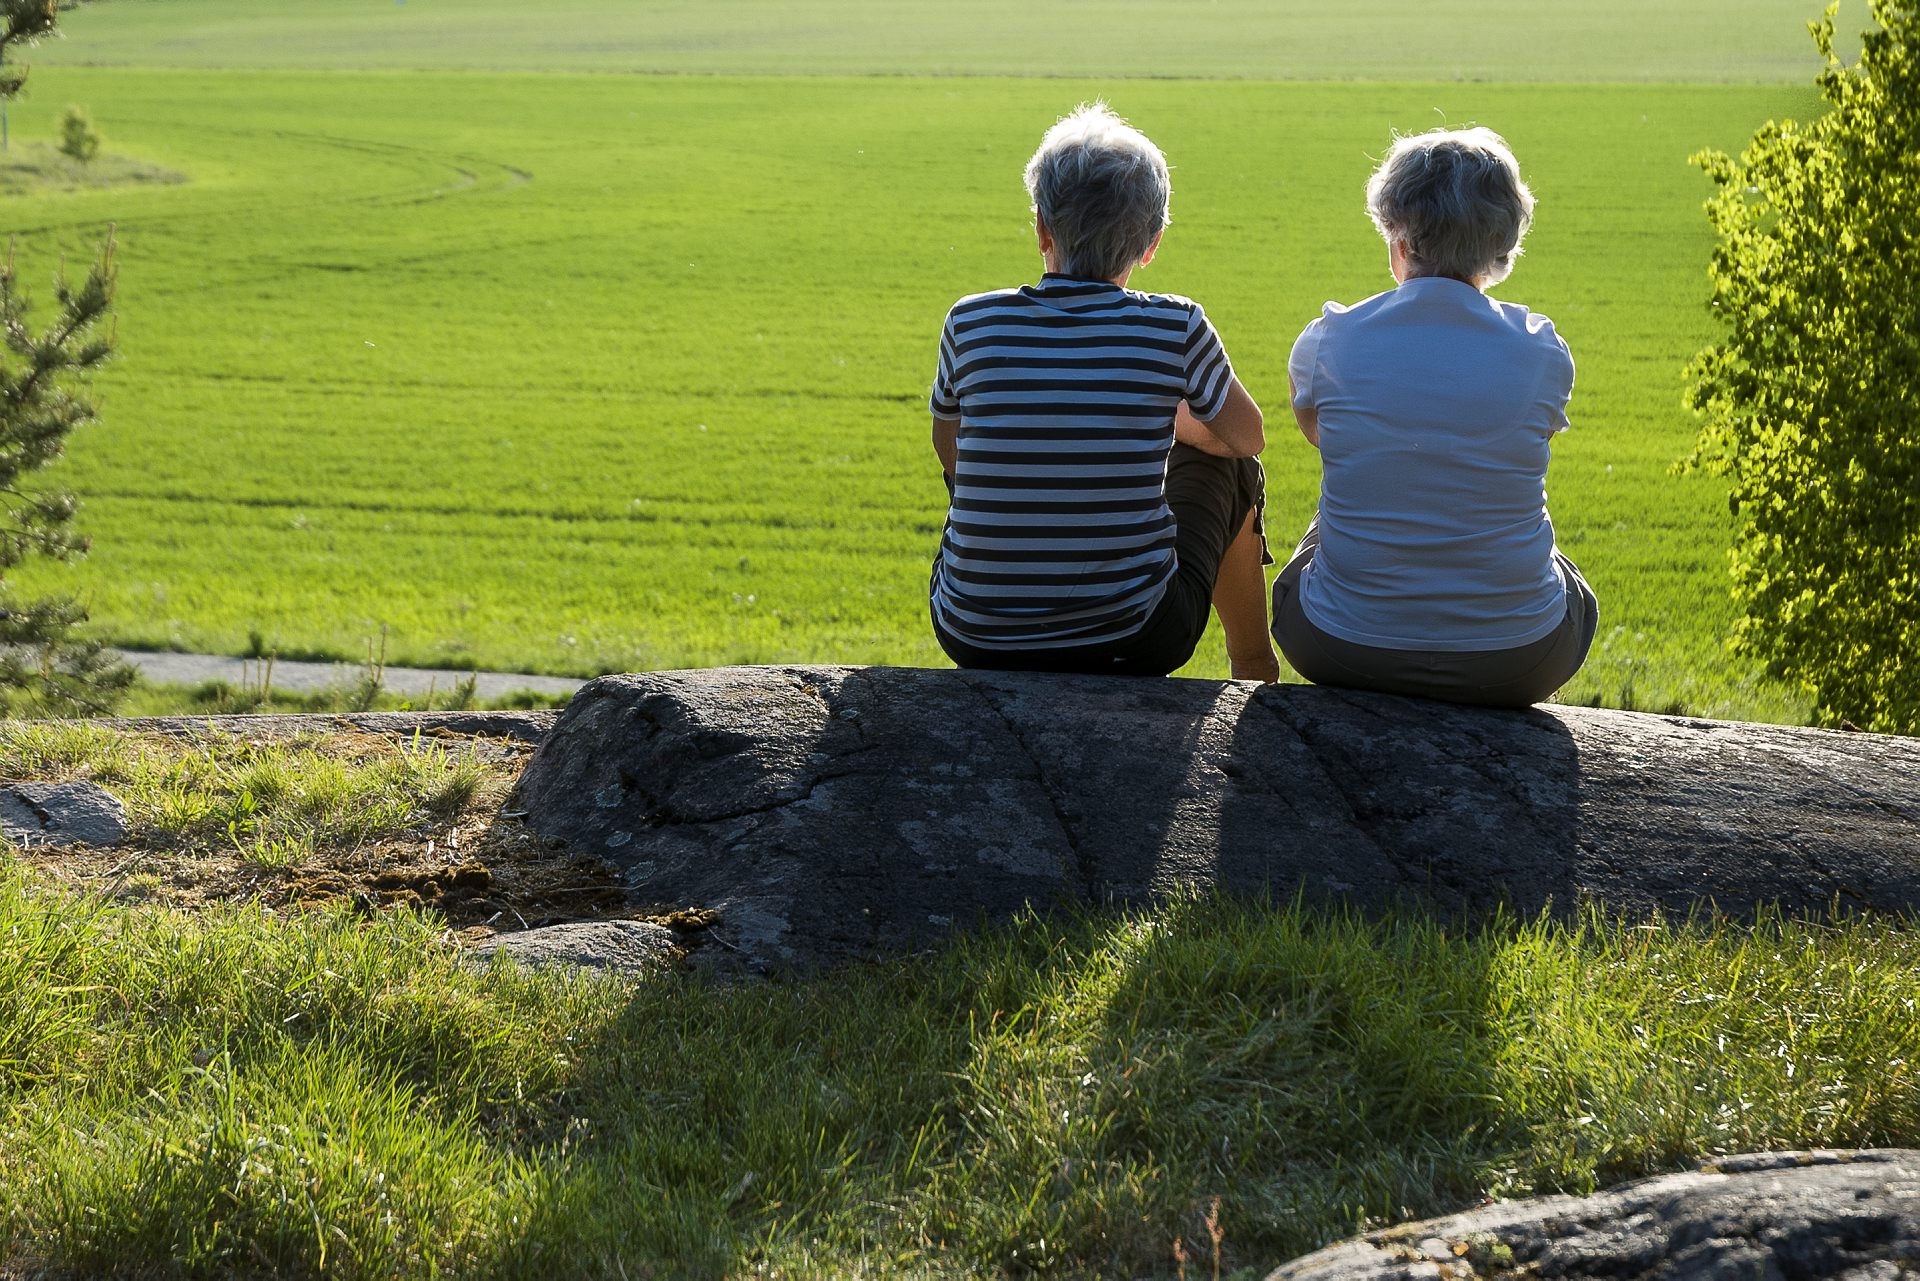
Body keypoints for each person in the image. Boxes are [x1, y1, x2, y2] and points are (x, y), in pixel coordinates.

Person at [928, 103, 1279, 682]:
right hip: (1134, 637)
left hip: (972, 633)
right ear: (1152, 244)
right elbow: (1248, 436)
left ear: (1041, 227)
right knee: (1234, 466)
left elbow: (952, 453)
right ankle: (1252, 662)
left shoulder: (970, 321)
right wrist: (1163, 422)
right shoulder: (1176, 325)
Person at [1272, 126, 1598, 707]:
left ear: (1398, 240)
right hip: (1518, 660)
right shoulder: (1541, 351)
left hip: (1339, 646)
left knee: (1317, 542)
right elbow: (1529, 440)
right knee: (1568, 583)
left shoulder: (1330, 342)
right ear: (1502, 249)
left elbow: (1323, 437)